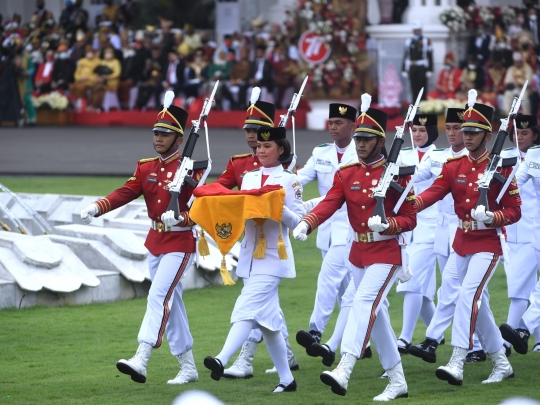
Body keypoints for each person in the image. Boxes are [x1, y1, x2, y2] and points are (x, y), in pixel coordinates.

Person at [294, 98, 417, 400]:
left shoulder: (397, 173)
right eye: (358, 138)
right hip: (357, 254)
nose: (360, 144)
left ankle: (344, 367)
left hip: (387, 252)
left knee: (362, 303)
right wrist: (307, 223)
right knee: (379, 321)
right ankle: (398, 380)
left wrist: (387, 225)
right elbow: (330, 202)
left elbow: (410, 218)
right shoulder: (347, 172)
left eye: (366, 139)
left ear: (380, 140)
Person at [79, 95, 202, 385]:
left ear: (179, 138)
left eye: (165, 134)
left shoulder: (193, 168)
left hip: (181, 242)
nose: (158, 138)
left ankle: (142, 357)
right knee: (173, 306)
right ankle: (188, 367)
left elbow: (203, 208)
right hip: (155, 242)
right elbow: (127, 191)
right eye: (156, 133)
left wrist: (182, 218)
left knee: (158, 297)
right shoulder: (146, 166)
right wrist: (98, 207)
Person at [415, 96, 520, 385]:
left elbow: (514, 211)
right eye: (466, 130)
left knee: (467, 295)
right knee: (479, 303)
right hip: (461, 241)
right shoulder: (453, 166)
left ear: (488, 135)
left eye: (474, 132)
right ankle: (501, 363)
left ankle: (457, 360)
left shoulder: (501, 168)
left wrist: (493, 218)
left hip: (488, 242)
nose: (467, 136)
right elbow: (431, 194)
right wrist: (399, 207)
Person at [204, 126, 303, 393]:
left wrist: (277, 209)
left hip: (274, 255)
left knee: (246, 309)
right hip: (249, 255)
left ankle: (221, 359)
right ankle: (287, 379)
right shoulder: (248, 178)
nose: (260, 151)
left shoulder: (290, 180)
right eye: (258, 147)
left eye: (266, 147)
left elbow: (300, 221)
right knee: (269, 324)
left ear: (280, 149)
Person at [406, 108, 486, 364]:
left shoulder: (479, 160)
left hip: (469, 230)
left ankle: (461, 343)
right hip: (443, 232)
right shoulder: (439, 158)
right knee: (452, 289)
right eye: (449, 128)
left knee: (466, 292)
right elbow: (413, 178)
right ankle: (478, 346)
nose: (453, 133)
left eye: (458, 128)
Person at [295, 103, 360, 355]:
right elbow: (299, 179)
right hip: (327, 228)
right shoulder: (321, 152)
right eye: (331, 123)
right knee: (347, 290)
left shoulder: (362, 152)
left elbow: (340, 195)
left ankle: (316, 330)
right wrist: (285, 181)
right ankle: (359, 342)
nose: (333, 127)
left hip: (352, 227)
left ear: (352, 126)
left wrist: (309, 206)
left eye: (339, 123)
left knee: (329, 278)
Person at [394, 113, 439, 355]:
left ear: (431, 132)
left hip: (430, 227)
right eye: (415, 130)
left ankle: (404, 339)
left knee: (410, 282)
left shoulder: (439, 156)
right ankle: (437, 334)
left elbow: (418, 178)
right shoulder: (402, 154)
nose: (418, 134)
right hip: (406, 227)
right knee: (421, 291)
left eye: (423, 130)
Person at [500, 115, 540, 352]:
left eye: (525, 133)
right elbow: (514, 183)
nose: (520, 138)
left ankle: (525, 328)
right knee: (524, 286)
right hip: (530, 230)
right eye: (517, 133)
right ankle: (524, 329)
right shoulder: (534, 155)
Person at [401, 20, 433, 102]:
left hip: (422, 67)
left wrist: (430, 69)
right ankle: (414, 105)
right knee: (413, 87)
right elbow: (406, 56)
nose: (416, 31)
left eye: (418, 30)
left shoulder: (426, 41)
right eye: (415, 30)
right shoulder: (409, 41)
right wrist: (404, 69)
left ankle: (423, 105)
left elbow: (430, 55)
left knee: (422, 87)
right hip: (412, 66)